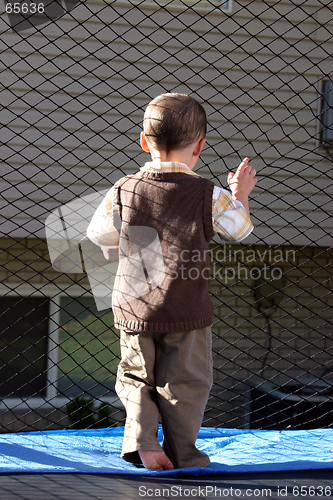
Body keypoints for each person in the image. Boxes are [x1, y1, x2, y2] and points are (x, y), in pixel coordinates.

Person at [87, 93, 257, 470]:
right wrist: (240, 195)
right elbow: (239, 230)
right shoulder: (208, 195)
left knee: (135, 376)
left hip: (135, 305)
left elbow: (99, 233)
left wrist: (119, 245)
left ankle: (144, 442)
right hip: (186, 308)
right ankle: (184, 454)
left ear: (145, 143)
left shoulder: (124, 188)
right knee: (186, 383)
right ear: (200, 146)